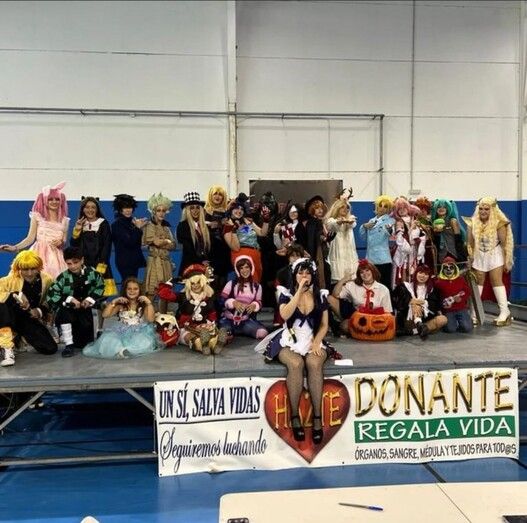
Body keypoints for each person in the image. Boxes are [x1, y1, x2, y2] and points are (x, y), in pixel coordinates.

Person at [255, 258, 331, 445]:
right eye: (300, 273)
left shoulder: (320, 295)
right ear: (294, 275)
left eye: (307, 273)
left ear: (313, 275)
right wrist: (298, 292)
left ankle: (317, 418)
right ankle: (295, 416)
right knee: (296, 364)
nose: (304, 276)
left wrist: (317, 342)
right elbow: (284, 315)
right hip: (289, 340)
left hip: (312, 339)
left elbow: (324, 324)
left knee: (313, 363)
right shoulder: (285, 294)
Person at [0, 251, 57, 366]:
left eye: (33, 269)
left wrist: (40, 311)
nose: (30, 273)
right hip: (8, 317)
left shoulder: (47, 280)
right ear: (19, 269)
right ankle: (6, 347)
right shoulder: (9, 280)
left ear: (39, 267)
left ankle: (19, 339)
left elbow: (52, 300)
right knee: (3, 303)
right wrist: (14, 294)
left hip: (26, 318)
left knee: (50, 348)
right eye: (25, 269)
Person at [1, 182, 69, 278]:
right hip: (38, 253)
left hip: (57, 257)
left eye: (57, 199)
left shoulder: (64, 220)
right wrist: (15, 247)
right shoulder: (37, 216)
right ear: (45, 200)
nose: (54, 202)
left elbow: (64, 241)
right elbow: (30, 238)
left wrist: (61, 242)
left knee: (56, 280)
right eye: (50, 199)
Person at [83, 277, 163, 359]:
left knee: (143, 341)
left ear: (140, 290)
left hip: (139, 331)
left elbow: (151, 319)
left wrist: (149, 303)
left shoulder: (143, 305)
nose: (132, 291)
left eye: (135, 289)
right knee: (110, 340)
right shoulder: (121, 305)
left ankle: (129, 350)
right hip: (122, 331)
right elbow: (105, 315)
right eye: (129, 289)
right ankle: (121, 350)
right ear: (125, 290)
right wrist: (114, 302)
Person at [464, 197, 514, 326]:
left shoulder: (499, 223)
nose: (483, 211)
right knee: (478, 282)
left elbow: (505, 244)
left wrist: (507, 260)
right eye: (481, 209)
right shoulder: (472, 222)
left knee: (496, 280)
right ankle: (474, 313)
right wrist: (470, 257)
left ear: (492, 210)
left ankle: (505, 312)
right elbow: (470, 243)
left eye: (486, 209)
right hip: (479, 255)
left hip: (495, 254)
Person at [46, 247, 105, 357]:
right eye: (69, 263)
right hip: (68, 311)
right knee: (64, 313)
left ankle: (83, 338)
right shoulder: (63, 277)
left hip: (85, 310)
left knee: (83, 344)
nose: (73, 266)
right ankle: (68, 345)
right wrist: (69, 299)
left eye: (76, 262)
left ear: (82, 260)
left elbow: (100, 286)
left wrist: (89, 299)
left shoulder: (92, 273)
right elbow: (52, 295)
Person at [158, 264, 227, 355]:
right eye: (192, 283)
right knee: (191, 338)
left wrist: (210, 324)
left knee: (211, 334)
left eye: (198, 282)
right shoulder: (183, 296)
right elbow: (164, 294)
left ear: (203, 282)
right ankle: (206, 346)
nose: (195, 286)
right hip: (186, 328)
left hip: (203, 328)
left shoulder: (208, 298)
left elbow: (212, 314)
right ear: (188, 284)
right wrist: (169, 283)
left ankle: (212, 343)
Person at [328, 259, 393, 336]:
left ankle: (359, 333)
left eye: (367, 270)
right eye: (362, 272)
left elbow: (388, 312)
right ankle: (351, 327)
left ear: (373, 271)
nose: (365, 274)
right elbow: (335, 294)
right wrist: (344, 279)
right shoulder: (352, 285)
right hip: (357, 317)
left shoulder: (383, 289)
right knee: (344, 326)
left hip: (375, 319)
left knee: (380, 328)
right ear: (359, 275)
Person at [219, 256, 268, 341]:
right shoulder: (231, 283)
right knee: (224, 335)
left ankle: (240, 331)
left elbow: (259, 302)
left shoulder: (257, 286)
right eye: (241, 268)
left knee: (262, 333)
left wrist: (254, 305)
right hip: (228, 320)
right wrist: (233, 303)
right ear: (237, 270)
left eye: (247, 267)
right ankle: (228, 334)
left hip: (245, 320)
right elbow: (221, 301)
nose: (244, 270)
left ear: (251, 268)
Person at [392, 264, 447, 339]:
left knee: (443, 319)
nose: (423, 276)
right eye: (420, 273)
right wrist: (411, 302)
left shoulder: (432, 290)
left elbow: (434, 308)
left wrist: (424, 303)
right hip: (409, 320)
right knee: (415, 303)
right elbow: (398, 304)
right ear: (416, 273)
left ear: (429, 276)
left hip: (426, 322)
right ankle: (418, 325)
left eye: (426, 274)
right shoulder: (405, 287)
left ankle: (413, 331)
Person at [223, 193, 268, 283]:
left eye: (241, 209)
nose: (239, 211)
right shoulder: (228, 225)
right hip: (241, 255)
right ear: (231, 210)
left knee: (256, 283)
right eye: (236, 208)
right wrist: (234, 230)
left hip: (255, 253)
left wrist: (266, 220)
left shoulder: (247, 221)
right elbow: (235, 248)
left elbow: (262, 233)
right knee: (248, 282)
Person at [143, 193, 176, 312]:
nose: (161, 213)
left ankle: (163, 317)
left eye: (163, 211)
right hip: (154, 262)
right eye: (158, 210)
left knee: (165, 292)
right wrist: (166, 240)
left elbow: (173, 245)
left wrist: (164, 242)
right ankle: (147, 317)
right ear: (153, 211)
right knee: (151, 290)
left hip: (166, 263)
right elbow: (156, 242)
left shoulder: (166, 227)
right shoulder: (149, 225)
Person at [359, 195, 395, 289]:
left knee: (384, 287)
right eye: (380, 205)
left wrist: (389, 229)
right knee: (371, 286)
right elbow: (363, 237)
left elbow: (391, 234)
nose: (382, 208)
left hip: (383, 259)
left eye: (385, 206)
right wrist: (364, 227)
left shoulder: (391, 220)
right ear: (376, 207)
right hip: (370, 259)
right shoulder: (371, 220)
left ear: (389, 209)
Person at [390, 196, 427, 289]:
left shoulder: (414, 220)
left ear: (408, 208)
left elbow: (422, 235)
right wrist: (411, 229)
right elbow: (400, 239)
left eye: (404, 208)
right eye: (399, 209)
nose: (402, 210)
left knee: (414, 273)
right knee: (402, 274)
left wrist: (419, 241)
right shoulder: (398, 222)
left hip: (414, 252)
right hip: (403, 254)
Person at [110, 194, 147, 282]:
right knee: (128, 284)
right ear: (120, 209)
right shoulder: (116, 225)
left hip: (134, 261)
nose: (128, 210)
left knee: (132, 283)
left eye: (130, 207)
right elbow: (129, 242)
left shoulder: (132, 222)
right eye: (125, 207)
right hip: (125, 262)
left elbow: (137, 243)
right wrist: (138, 228)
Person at [434, 257, 473, 334]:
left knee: (467, 328)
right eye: (446, 268)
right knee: (450, 329)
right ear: (443, 269)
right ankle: (453, 322)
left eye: (451, 268)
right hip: (447, 310)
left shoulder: (460, 279)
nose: (449, 270)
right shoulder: (438, 282)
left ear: (455, 268)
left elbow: (467, 291)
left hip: (461, 308)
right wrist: (442, 305)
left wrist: (461, 298)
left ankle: (461, 320)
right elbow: (436, 296)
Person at [325, 196, 358, 283]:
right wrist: (339, 222)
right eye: (342, 207)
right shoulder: (331, 220)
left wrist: (347, 221)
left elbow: (353, 224)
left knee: (351, 280)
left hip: (349, 254)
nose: (345, 209)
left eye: (347, 207)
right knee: (338, 280)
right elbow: (332, 225)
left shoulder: (351, 218)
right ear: (337, 208)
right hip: (337, 254)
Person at [176, 192, 211, 276]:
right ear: (187, 210)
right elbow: (188, 249)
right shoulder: (183, 226)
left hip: (204, 268)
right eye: (192, 208)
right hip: (189, 268)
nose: (195, 210)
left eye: (197, 207)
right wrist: (201, 261)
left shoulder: (204, 227)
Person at [204, 185, 231, 288]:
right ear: (210, 195)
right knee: (210, 279)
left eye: (220, 194)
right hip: (209, 250)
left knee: (223, 279)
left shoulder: (227, 212)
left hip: (224, 249)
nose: (217, 196)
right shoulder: (204, 211)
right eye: (215, 194)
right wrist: (217, 224)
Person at [304, 195, 333, 289]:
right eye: (317, 208)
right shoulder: (312, 222)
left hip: (321, 252)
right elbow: (312, 239)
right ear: (312, 209)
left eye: (321, 208)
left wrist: (326, 238)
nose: (320, 210)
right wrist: (323, 239)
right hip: (316, 252)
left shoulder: (319, 221)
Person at [431, 199, 467, 264]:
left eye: (444, 207)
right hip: (440, 255)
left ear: (447, 208)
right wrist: (436, 233)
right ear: (436, 209)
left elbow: (458, 240)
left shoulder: (452, 221)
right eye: (439, 207)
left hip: (454, 253)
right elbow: (435, 243)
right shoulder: (433, 223)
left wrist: (461, 256)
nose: (441, 208)